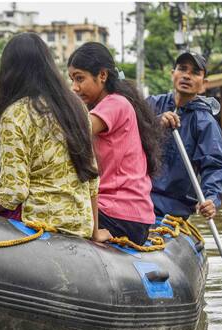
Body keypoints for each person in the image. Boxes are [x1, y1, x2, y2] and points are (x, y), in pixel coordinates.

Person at [0, 33, 108, 242]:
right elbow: (92, 179)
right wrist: (94, 234)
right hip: (81, 226)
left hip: (38, 226)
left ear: (9, 71)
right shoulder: (76, 107)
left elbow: (14, 194)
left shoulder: (14, 114)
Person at [67, 42, 164, 245]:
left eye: (79, 78)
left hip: (120, 216)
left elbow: (75, 132)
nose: (74, 87)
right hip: (127, 215)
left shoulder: (115, 103)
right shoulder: (109, 104)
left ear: (102, 75)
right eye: (72, 80)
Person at [146, 51, 222, 220]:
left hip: (172, 209)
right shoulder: (151, 105)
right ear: (173, 74)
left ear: (203, 84)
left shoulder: (205, 123)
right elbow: (127, 134)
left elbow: (214, 166)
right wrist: (156, 124)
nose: (187, 76)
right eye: (182, 69)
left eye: (195, 73)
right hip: (138, 199)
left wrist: (211, 199)